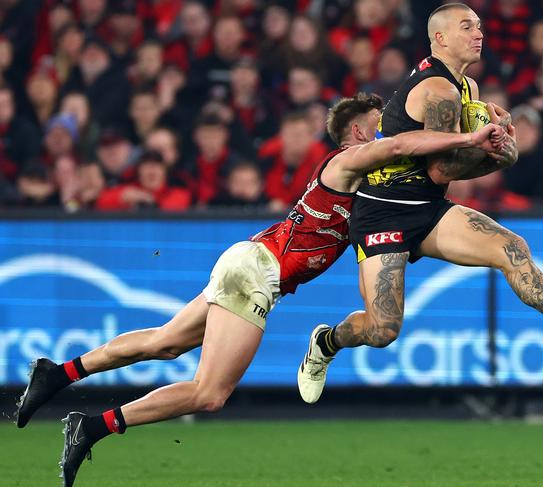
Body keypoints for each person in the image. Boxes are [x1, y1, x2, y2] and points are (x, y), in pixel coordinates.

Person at [15, 93, 505, 487]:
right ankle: (91, 427)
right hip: (257, 269)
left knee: (165, 341)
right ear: (359, 131)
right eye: (384, 121)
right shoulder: (349, 160)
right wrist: (467, 134)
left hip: (250, 260)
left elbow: (423, 180)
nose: (394, 128)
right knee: (210, 394)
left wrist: (485, 147)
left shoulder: (377, 189)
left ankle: (58, 373)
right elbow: (401, 149)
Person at [297, 3, 543, 405]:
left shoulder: (467, 88)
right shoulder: (438, 90)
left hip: (426, 207)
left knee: (511, 248)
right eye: (467, 27)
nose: (478, 34)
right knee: (382, 330)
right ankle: (326, 341)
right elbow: (443, 170)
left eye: (479, 26)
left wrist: (495, 148)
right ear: (440, 38)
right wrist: (498, 153)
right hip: (382, 213)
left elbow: (442, 173)